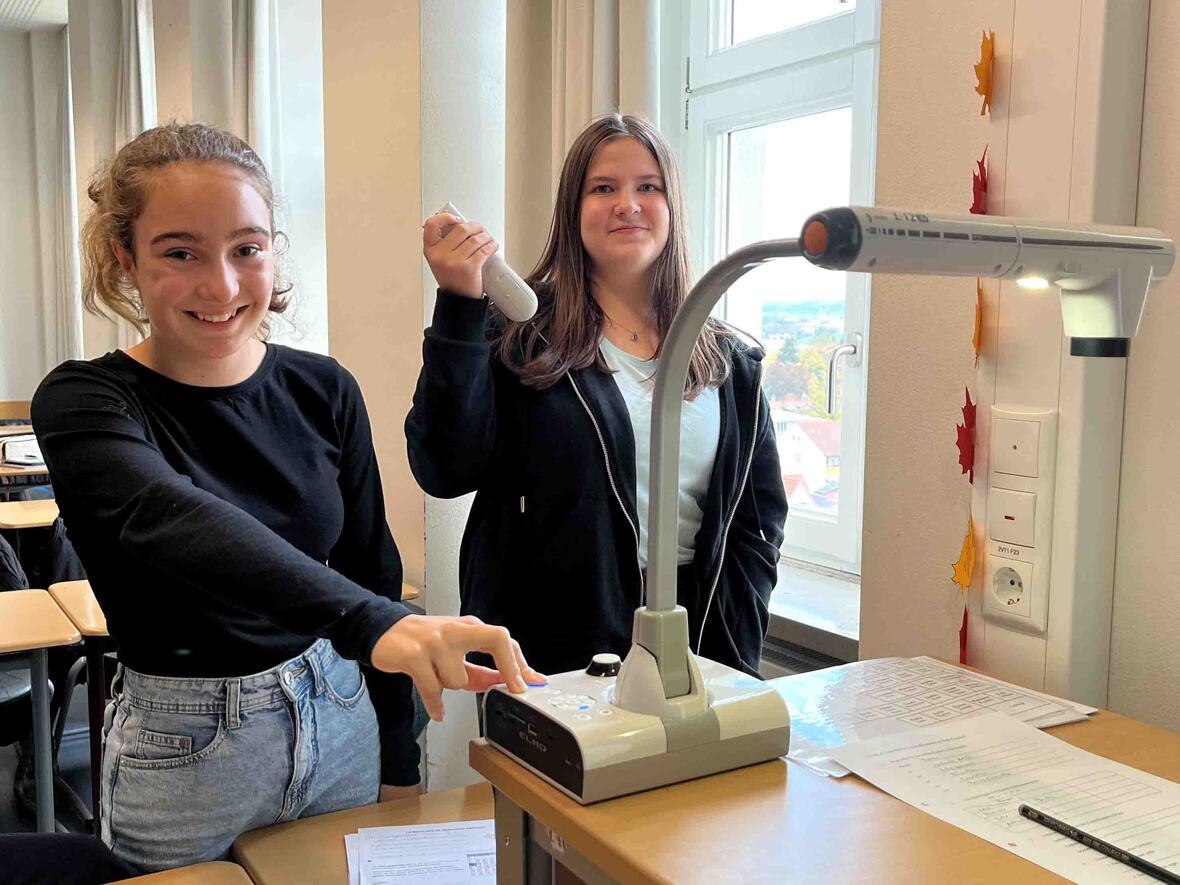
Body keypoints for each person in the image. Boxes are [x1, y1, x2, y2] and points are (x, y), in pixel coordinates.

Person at [31, 122, 541, 873]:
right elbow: (173, 520)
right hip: (185, 750)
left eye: (247, 249)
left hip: (337, 712)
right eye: (180, 253)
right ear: (125, 257)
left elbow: (372, 566)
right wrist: (375, 622)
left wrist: (399, 760)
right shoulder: (84, 398)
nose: (223, 285)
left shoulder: (322, 387)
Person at [408, 113, 788, 679]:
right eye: (603, 188)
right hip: (555, 663)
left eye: (647, 187)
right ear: (573, 209)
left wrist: (737, 629)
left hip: (702, 652)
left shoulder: (731, 364)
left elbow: (758, 521)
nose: (627, 204)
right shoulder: (519, 336)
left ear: (672, 205)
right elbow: (444, 468)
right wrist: (460, 306)